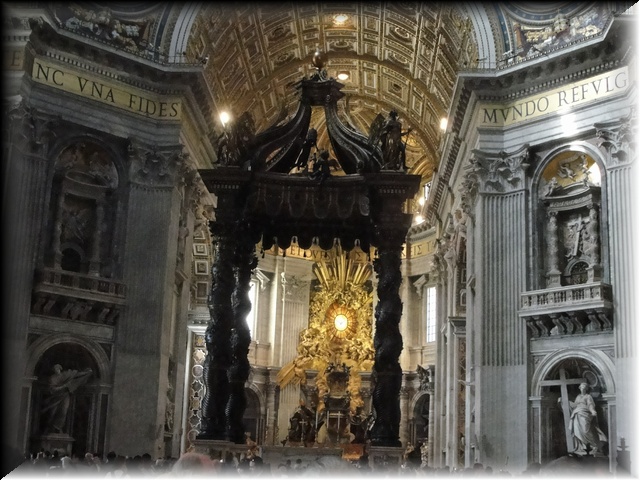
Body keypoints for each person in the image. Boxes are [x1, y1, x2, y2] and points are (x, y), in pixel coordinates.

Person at [40, 364, 92, 434]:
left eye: (58, 368)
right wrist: (64, 386)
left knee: (64, 411)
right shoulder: (52, 378)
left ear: (60, 369)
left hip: (65, 396)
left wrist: (86, 372)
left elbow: (76, 374)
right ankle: (49, 428)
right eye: (55, 369)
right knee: (52, 413)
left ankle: (58, 427)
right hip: (55, 398)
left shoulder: (65, 374)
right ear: (53, 370)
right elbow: (52, 389)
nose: (57, 370)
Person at [567, 382, 607, 455]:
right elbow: (575, 405)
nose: (583, 389)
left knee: (585, 430)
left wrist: (593, 411)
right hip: (577, 414)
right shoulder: (578, 396)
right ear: (580, 388)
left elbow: (590, 405)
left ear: (586, 389)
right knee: (577, 430)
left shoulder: (588, 396)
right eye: (582, 387)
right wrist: (567, 402)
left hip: (585, 414)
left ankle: (593, 446)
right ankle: (582, 447)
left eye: (584, 387)